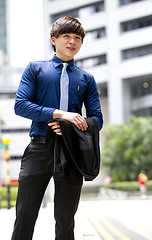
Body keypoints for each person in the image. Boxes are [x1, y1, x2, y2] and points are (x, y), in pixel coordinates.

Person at [11, 16, 103, 240]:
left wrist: (71, 128)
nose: (72, 42)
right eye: (66, 36)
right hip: (39, 149)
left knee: (65, 218)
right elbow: (20, 105)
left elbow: (97, 119)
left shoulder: (86, 79)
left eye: (77, 38)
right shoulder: (35, 69)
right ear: (54, 40)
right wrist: (60, 115)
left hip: (71, 153)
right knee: (24, 213)